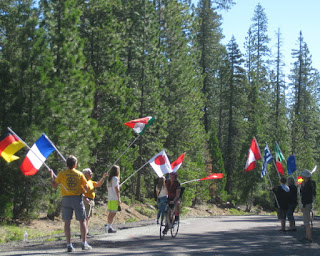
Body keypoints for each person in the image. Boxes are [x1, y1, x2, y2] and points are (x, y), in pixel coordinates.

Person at [49, 155, 92, 252]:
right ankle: (84, 243)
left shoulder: (62, 174)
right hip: (77, 198)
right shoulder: (79, 174)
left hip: (66, 199)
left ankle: (69, 244)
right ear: (75, 164)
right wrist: (82, 190)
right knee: (82, 220)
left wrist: (51, 175)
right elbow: (86, 188)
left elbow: (54, 185)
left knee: (67, 222)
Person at [82, 168, 107, 236]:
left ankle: (86, 231)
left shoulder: (91, 181)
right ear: (85, 174)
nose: (91, 174)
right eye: (90, 173)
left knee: (88, 217)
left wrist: (103, 177)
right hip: (86, 200)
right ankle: (84, 232)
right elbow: (81, 191)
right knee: (85, 217)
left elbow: (98, 184)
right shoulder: (83, 181)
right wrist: (84, 199)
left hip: (91, 200)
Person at [300, 169, 315, 243]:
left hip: (307, 204)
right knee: (306, 221)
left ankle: (309, 238)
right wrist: (302, 186)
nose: (301, 176)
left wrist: (304, 205)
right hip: (308, 203)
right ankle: (307, 236)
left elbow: (306, 196)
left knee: (307, 221)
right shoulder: (309, 183)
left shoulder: (308, 184)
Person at [106, 165, 121, 233]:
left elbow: (109, 188)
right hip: (114, 198)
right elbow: (116, 189)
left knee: (111, 213)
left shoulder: (109, 179)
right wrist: (119, 198)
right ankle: (109, 227)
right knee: (113, 213)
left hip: (110, 198)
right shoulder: (115, 178)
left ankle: (109, 226)